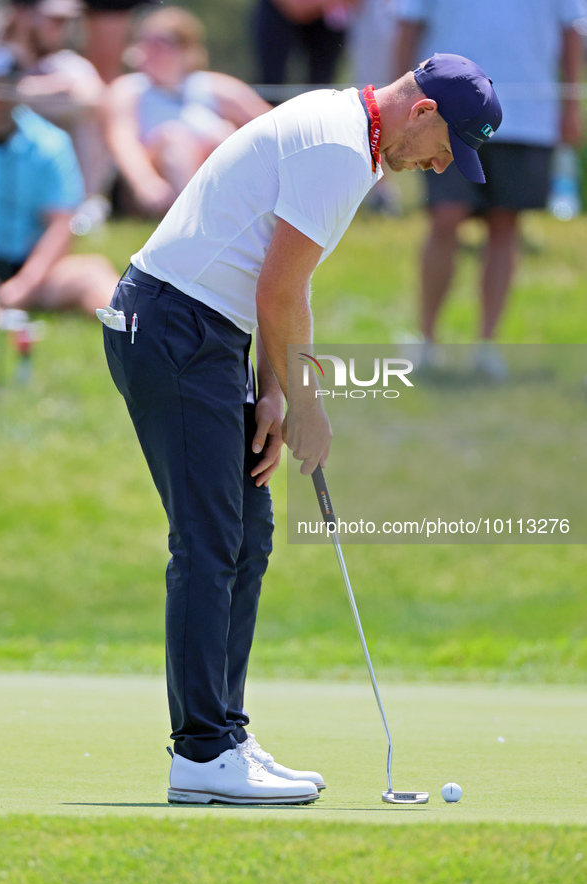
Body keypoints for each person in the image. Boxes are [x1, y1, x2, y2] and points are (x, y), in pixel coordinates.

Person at [101, 53, 501, 804]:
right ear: (421, 112)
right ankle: (200, 752)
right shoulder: (339, 147)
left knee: (246, 535)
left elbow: (284, 280)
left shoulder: (345, 133)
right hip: (175, 328)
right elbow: (279, 289)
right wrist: (311, 408)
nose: (445, 164)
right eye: (449, 146)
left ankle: (223, 733)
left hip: (206, 333)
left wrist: (276, 393)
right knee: (210, 537)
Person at [394, 0, 586, 375]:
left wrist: (571, 105)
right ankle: (426, 341)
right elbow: (409, 25)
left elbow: (571, 32)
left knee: (505, 225)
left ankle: (486, 346)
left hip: (529, 116)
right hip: (446, 115)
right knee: (445, 218)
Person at [105, 6, 272, 217]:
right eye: (145, 41)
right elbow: (122, 141)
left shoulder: (212, 86)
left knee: (224, 134)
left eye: (160, 42)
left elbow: (273, 126)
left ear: (185, 49)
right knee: (174, 138)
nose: (149, 49)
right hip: (154, 186)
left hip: (205, 172)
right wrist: (145, 182)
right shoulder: (129, 89)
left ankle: (243, 210)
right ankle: (193, 217)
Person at [0, 44, 118, 316]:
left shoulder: (49, 143)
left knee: (92, 273)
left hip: (32, 266)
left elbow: (61, 225)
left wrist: (23, 286)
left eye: (3, 87)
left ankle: (141, 334)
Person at [4, 0, 111, 202]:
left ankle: (82, 203)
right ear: (21, 14)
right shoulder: (3, 57)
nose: (60, 28)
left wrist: (19, 93)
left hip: (56, 166)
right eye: (53, 20)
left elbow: (95, 98)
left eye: (64, 22)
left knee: (86, 117)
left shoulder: (67, 63)